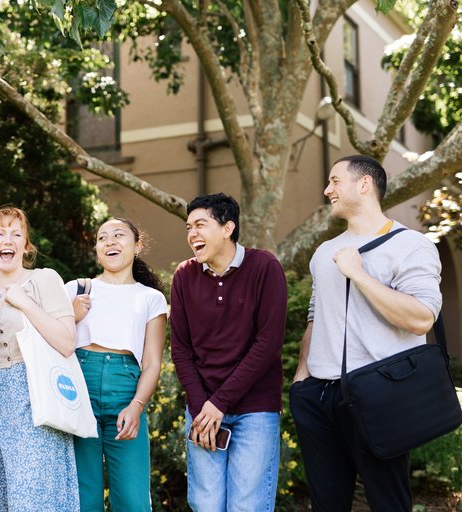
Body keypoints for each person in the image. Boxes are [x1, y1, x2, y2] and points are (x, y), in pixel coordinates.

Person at [290, 155, 442, 511]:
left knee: (389, 502)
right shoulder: (324, 251)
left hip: (381, 395)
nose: (327, 190)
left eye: (335, 181)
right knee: (327, 504)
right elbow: (317, 315)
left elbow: (421, 318)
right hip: (319, 396)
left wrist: (358, 274)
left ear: (364, 184)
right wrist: (302, 378)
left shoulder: (412, 245)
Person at [169, 193, 287, 512]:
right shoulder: (184, 276)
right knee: (205, 504)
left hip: (255, 410)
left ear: (227, 228)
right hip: (204, 410)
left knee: (247, 506)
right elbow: (180, 348)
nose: (192, 233)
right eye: (188, 226)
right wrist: (200, 408)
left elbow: (268, 344)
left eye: (200, 224)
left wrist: (219, 402)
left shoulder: (265, 267)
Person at [0, 206, 80, 511]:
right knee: (6, 497)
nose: (7, 239)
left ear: (26, 246)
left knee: (32, 497)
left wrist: (25, 303)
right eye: (0, 233)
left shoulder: (44, 279)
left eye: (16, 233)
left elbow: (66, 341)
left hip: (36, 394)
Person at [65, 218, 167, 511]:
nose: (110, 241)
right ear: (96, 249)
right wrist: (71, 315)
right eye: (102, 238)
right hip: (77, 390)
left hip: (126, 392)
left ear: (137, 245)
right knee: (84, 497)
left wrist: (137, 405)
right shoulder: (77, 288)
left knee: (133, 501)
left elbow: (151, 363)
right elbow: (50, 338)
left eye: (118, 235)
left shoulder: (151, 298)